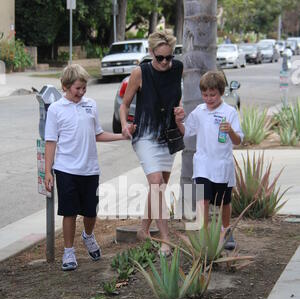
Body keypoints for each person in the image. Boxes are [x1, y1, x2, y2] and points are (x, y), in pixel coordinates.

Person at [45, 64, 133, 271]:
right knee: (69, 212)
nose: (82, 92)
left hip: (90, 169)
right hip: (66, 169)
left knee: (91, 212)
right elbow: (51, 141)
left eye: (84, 88)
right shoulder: (56, 109)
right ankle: (68, 251)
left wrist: (122, 135)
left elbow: (97, 134)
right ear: (65, 86)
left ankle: (88, 235)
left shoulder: (90, 105)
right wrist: (48, 171)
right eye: (77, 88)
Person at [120, 30, 183, 256]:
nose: (165, 62)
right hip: (145, 134)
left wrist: (181, 111)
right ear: (151, 53)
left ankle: (143, 230)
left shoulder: (178, 69)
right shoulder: (140, 72)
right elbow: (124, 104)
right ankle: (165, 238)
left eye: (169, 57)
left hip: (168, 135)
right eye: (160, 58)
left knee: (158, 187)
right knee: (156, 182)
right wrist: (125, 125)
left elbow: (177, 95)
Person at [174, 71, 244, 250]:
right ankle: (204, 235)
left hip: (222, 166)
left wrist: (230, 131)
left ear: (221, 92)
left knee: (224, 202)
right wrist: (179, 121)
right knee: (202, 201)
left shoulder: (229, 112)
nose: (209, 98)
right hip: (203, 166)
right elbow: (187, 132)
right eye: (205, 95)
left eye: (213, 94)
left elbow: (238, 141)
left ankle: (226, 230)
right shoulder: (200, 111)